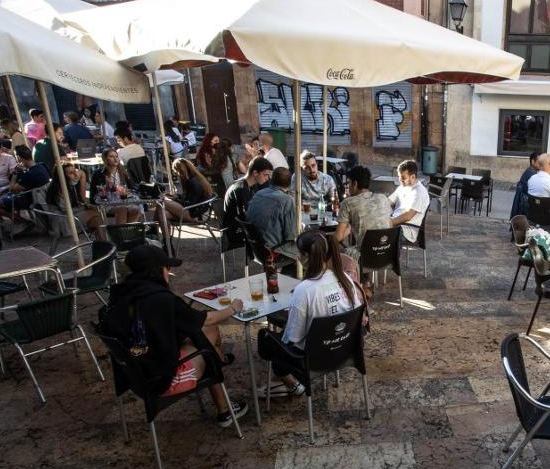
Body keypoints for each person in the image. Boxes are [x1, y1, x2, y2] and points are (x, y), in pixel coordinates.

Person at [103, 246, 247, 425]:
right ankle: (224, 410)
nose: (169, 273)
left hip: (134, 372)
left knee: (208, 333)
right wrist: (232, 308)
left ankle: (220, 360)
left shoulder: (121, 295)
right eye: (167, 267)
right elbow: (207, 319)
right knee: (209, 348)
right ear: (158, 270)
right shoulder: (162, 300)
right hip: (163, 379)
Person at [257, 230, 361, 398]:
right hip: (345, 349)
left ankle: (291, 384)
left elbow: (294, 337)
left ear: (305, 257)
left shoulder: (304, 290)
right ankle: (285, 380)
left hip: (314, 358)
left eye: (299, 253)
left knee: (268, 340)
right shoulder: (345, 279)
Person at [336, 165, 392, 259]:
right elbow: (389, 224)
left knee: (335, 251)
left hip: (365, 256)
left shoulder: (348, 203)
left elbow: (338, 237)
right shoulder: (383, 198)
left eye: (349, 183)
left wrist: (326, 241)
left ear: (355, 184)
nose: (348, 186)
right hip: (386, 253)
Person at [221, 156, 273, 247]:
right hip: (236, 233)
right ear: (255, 173)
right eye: (265, 175)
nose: (268, 179)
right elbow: (247, 217)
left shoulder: (252, 186)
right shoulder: (240, 189)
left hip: (242, 228)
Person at [247, 167, 297, 255]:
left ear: (271, 180)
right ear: (289, 184)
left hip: (254, 248)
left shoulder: (259, 193)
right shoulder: (287, 200)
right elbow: (290, 235)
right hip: (274, 251)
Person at [47, 162, 104, 240]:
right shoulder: (59, 189)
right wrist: (83, 207)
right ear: (63, 177)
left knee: (97, 219)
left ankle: (102, 242)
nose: (76, 175)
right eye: (71, 173)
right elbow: (65, 209)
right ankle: (103, 242)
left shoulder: (71, 185)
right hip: (63, 220)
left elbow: (79, 200)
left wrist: (84, 205)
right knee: (95, 213)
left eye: (75, 171)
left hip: (71, 214)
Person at [0, 146, 50, 229]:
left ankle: (25, 222)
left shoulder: (29, 174)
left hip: (30, 200)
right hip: (44, 198)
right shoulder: (42, 166)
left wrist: (15, 173)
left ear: (18, 157)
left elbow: (12, 190)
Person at [89, 148, 141, 225]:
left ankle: (129, 230)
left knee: (135, 209)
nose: (115, 159)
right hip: (106, 203)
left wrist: (126, 192)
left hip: (122, 201)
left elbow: (131, 188)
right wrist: (108, 187)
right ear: (105, 159)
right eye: (111, 156)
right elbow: (97, 194)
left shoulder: (123, 171)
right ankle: (120, 231)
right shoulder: (99, 174)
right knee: (122, 209)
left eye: (116, 156)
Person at [389, 159, 429, 244]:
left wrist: (390, 222)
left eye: (403, 178)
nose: (400, 180)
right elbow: (389, 201)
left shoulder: (420, 192)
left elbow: (408, 216)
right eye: (399, 177)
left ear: (413, 176)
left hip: (407, 230)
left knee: (377, 232)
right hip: (396, 223)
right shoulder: (402, 187)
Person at [509, 151, 539, 220]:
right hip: (526, 207)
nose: (541, 164)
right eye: (539, 162)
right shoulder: (531, 174)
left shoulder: (529, 171)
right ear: (533, 161)